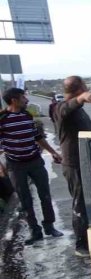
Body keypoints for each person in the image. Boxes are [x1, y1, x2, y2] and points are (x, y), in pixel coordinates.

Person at [0, 88, 64, 245]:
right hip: (15, 166)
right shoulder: (2, 119)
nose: (26, 100)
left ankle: (49, 226)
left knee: (45, 195)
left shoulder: (27, 115)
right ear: (14, 100)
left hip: (35, 161)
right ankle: (35, 231)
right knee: (25, 200)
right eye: (23, 97)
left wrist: (53, 152)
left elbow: (37, 137)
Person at [56, 75, 91, 257]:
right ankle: (81, 245)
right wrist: (81, 98)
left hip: (86, 161)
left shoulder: (78, 109)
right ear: (78, 88)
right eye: (84, 87)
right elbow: (66, 109)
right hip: (74, 164)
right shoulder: (60, 108)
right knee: (80, 203)